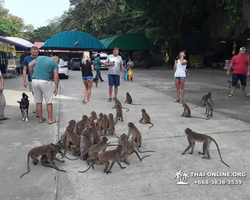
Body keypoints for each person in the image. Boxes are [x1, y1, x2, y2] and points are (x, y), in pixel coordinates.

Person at [28, 56, 59, 124]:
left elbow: (30, 64)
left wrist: (32, 74)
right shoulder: (54, 63)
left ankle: (40, 118)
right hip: (45, 82)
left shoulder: (40, 57)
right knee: (49, 101)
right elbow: (56, 76)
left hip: (34, 81)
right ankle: (50, 119)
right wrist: (56, 88)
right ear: (56, 60)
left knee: (38, 101)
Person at [22, 46, 39, 116]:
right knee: (35, 94)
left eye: (36, 52)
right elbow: (24, 70)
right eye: (33, 52)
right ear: (31, 52)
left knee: (38, 95)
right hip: (31, 79)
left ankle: (38, 110)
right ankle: (38, 107)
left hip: (39, 79)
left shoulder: (40, 58)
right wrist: (24, 80)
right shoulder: (27, 59)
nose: (35, 54)